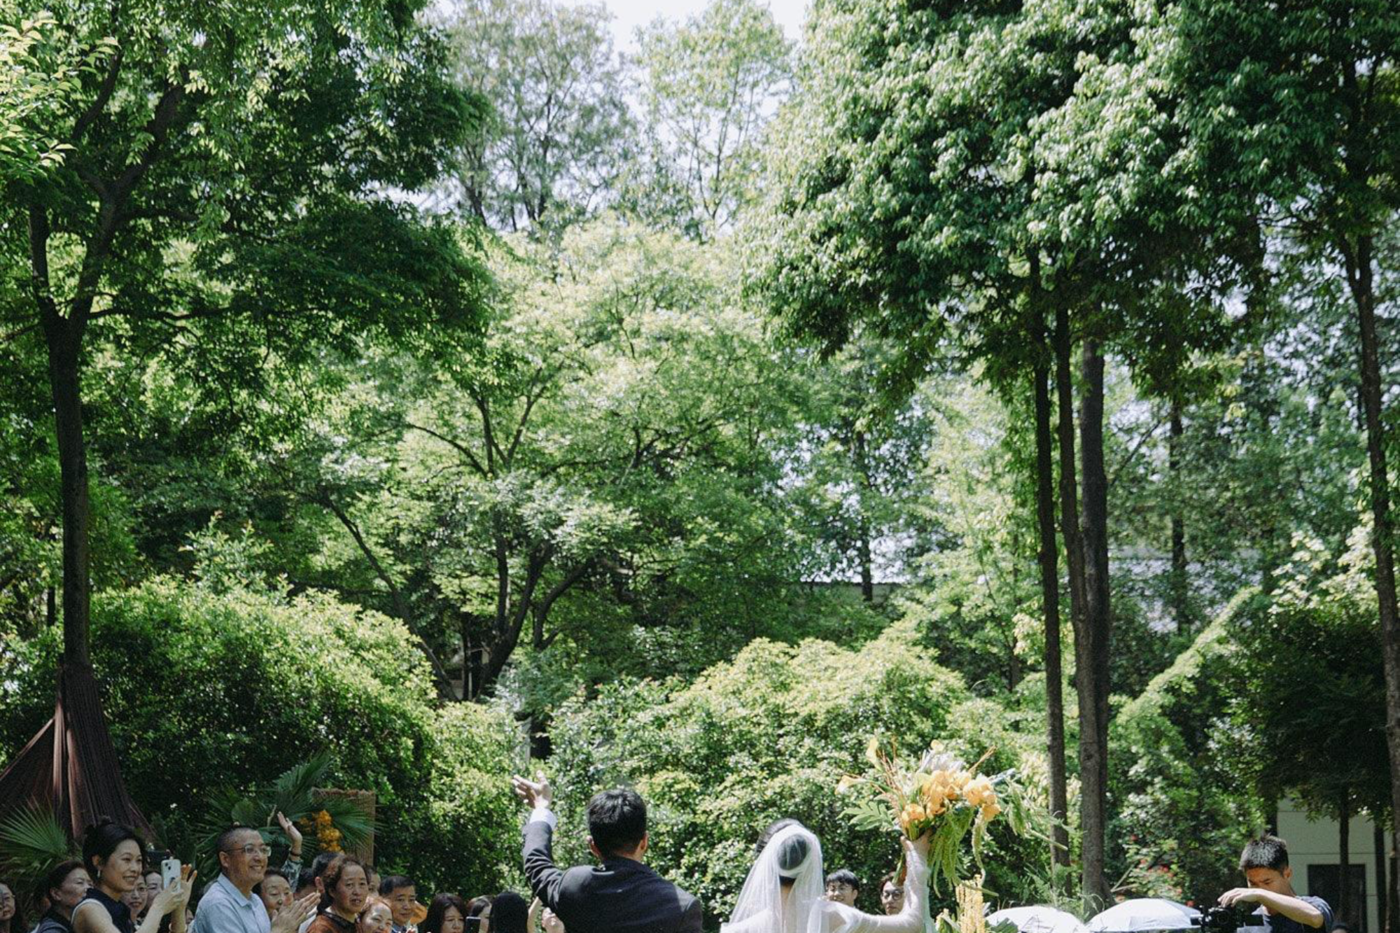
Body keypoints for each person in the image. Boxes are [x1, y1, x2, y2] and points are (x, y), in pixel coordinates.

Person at [512, 773, 702, 933]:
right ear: (644, 842)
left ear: (593, 846)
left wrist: (541, 809)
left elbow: (537, 866)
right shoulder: (682, 906)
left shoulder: (576, 886)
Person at [721, 819, 929, 933]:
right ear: (810, 862)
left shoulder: (740, 930)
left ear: (763, 862)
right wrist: (917, 856)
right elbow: (913, 924)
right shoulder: (836, 916)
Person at [72, 821, 193, 933]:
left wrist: (179, 906)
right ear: (98, 862)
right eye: (126, 859)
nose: (135, 868)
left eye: (139, 860)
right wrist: (158, 907)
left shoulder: (121, 910)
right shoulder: (90, 909)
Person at [192, 827, 316, 933]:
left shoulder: (255, 900)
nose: (259, 857)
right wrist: (280, 930)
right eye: (249, 850)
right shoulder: (218, 904)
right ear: (225, 859)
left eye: (263, 850)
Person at [1219, 836, 1332, 933]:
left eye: (1267, 882)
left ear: (1287, 874)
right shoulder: (1249, 926)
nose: (1260, 888)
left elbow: (1315, 918)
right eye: (1253, 883)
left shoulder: (1313, 905)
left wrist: (1260, 893)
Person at [304, 856, 369, 933]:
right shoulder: (321, 928)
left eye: (362, 884)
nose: (357, 892)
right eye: (349, 884)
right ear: (332, 891)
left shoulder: (355, 924)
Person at [33, 861, 93, 933]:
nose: (89, 888)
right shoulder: (53, 929)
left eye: (90, 884)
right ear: (56, 894)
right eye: (80, 882)